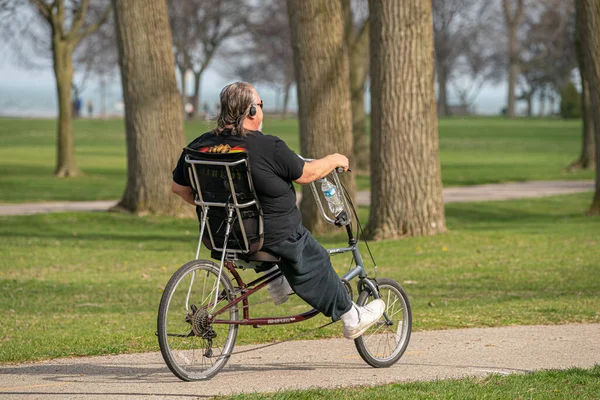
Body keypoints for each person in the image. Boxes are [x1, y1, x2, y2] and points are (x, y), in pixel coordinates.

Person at [171, 82, 384, 340]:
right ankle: (352, 317)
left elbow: (178, 188)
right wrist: (336, 159)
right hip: (276, 234)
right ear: (251, 111)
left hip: (224, 233)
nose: (261, 110)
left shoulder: (199, 145)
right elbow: (308, 174)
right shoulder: (268, 146)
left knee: (274, 245)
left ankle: (273, 275)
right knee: (314, 259)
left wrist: (215, 205)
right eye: (260, 105)